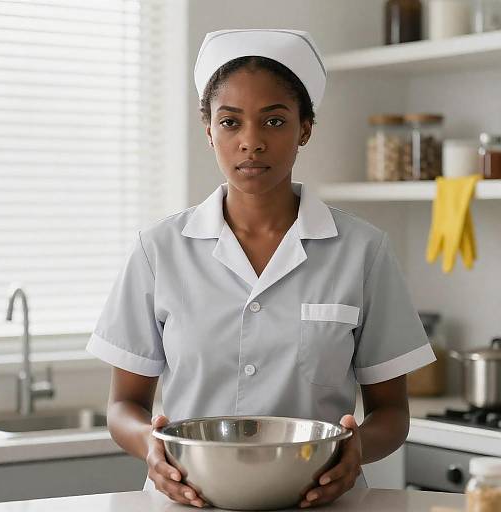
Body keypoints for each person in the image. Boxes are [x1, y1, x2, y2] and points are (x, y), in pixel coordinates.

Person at [86, 28, 436, 508]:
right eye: (231, 123)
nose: (251, 142)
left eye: (274, 121)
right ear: (208, 129)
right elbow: (124, 404)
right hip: (189, 499)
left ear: (305, 128)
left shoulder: (363, 251)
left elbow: (391, 413)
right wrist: (151, 445)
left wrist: (356, 450)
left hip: (322, 501)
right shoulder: (158, 250)